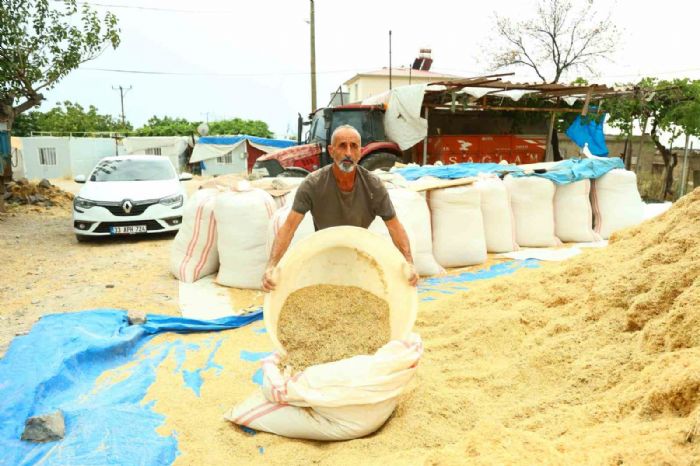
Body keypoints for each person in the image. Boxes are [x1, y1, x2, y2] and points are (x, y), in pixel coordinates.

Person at [262, 124, 418, 291]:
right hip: (325, 255)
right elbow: (288, 228)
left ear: (360, 151)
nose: (348, 153)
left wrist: (409, 262)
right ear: (331, 150)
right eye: (342, 146)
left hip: (359, 256)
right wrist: (271, 266)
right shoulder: (313, 184)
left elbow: (394, 227)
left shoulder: (374, 186)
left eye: (354, 146)